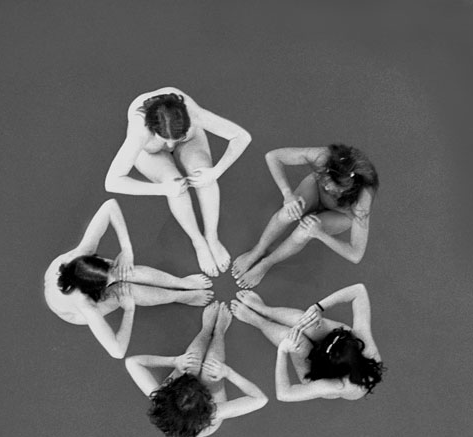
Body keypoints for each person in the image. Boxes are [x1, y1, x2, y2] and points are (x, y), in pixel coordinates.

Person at [105, 86, 252, 277]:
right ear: (152, 129)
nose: (170, 146)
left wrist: (216, 172)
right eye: (165, 139)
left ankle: (212, 237)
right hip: (150, 151)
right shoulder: (139, 131)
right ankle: (198, 241)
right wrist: (163, 188)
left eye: (177, 138)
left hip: (190, 141)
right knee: (174, 183)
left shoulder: (193, 113)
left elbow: (242, 136)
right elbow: (112, 182)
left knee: (203, 173)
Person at [44, 199, 214, 359]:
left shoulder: (82, 253)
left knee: (126, 271)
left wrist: (127, 250)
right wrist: (129, 310)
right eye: (108, 280)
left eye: (108, 269)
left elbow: (110, 205)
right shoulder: (86, 306)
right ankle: (181, 296)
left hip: (81, 280)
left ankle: (182, 282)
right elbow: (117, 351)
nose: (115, 276)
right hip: (73, 313)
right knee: (128, 291)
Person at [232, 144, 379, 288]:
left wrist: (319, 234)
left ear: (348, 187)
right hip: (315, 192)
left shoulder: (363, 197)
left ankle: (266, 263)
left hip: (340, 213)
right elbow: (273, 156)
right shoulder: (325, 156)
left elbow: (355, 255)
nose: (327, 186)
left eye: (332, 186)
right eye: (325, 179)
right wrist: (287, 194)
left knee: (304, 232)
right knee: (287, 213)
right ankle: (258, 250)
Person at [125, 302, 268, 437]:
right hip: (202, 411)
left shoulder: (160, 397)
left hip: (183, 399)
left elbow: (132, 362)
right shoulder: (213, 413)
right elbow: (260, 399)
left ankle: (206, 330)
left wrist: (174, 361)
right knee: (212, 370)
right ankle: (219, 332)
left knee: (190, 362)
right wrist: (228, 372)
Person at [230, 284, 384, 401]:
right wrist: (318, 307)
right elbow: (359, 290)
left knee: (293, 339)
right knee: (306, 321)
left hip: (319, 372)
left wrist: (282, 351)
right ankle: (264, 310)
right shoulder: (365, 345)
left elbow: (285, 394)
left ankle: (257, 321)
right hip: (338, 348)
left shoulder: (338, 385)